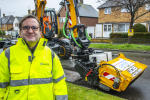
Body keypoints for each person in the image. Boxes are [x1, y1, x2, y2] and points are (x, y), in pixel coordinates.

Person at [0, 15, 68, 100]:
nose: (30, 31)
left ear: (40, 32)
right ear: (20, 32)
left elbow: (59, 84)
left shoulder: (50, 55)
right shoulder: (7, 55)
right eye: (26, 27)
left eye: (34, 27)